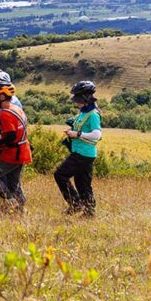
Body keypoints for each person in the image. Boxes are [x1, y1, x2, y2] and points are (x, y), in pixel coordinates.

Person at [54, 80, 102, 216]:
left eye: (78, 99)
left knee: (60, 174)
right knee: (82, 183)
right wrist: (71, 130)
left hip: (83, 154)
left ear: (85, 98)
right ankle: (89, 212)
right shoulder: (83, 112)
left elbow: (97, 134)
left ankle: (75, 204)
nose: (75, 102)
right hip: (83, 153)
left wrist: (77, 134)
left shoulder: (93, 114)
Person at [0, 79, 32, 212]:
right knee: (13, 182)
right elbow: (14, 130)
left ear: (2, 96)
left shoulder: (4, 113)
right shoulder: (16, 109)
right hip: (22, 151)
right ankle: (20, 209)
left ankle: (10, 200)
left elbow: (11, 136)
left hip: (12, 153)